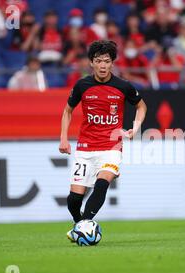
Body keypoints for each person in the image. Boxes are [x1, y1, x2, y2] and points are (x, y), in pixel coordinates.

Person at [59, 40, 147, 242]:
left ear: (112, 63)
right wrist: (63, 138)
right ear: (91, 63)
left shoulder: (123, 86)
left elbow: (141, 106)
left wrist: (136, 126)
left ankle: (83, 227)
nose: (103, 65)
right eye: (98, 61)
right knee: (74, 200)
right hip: (85, 147)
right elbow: (67, 111)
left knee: (101, 184)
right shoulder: (82, 85)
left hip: (111, 147)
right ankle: (79, 225)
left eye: (107, 61)